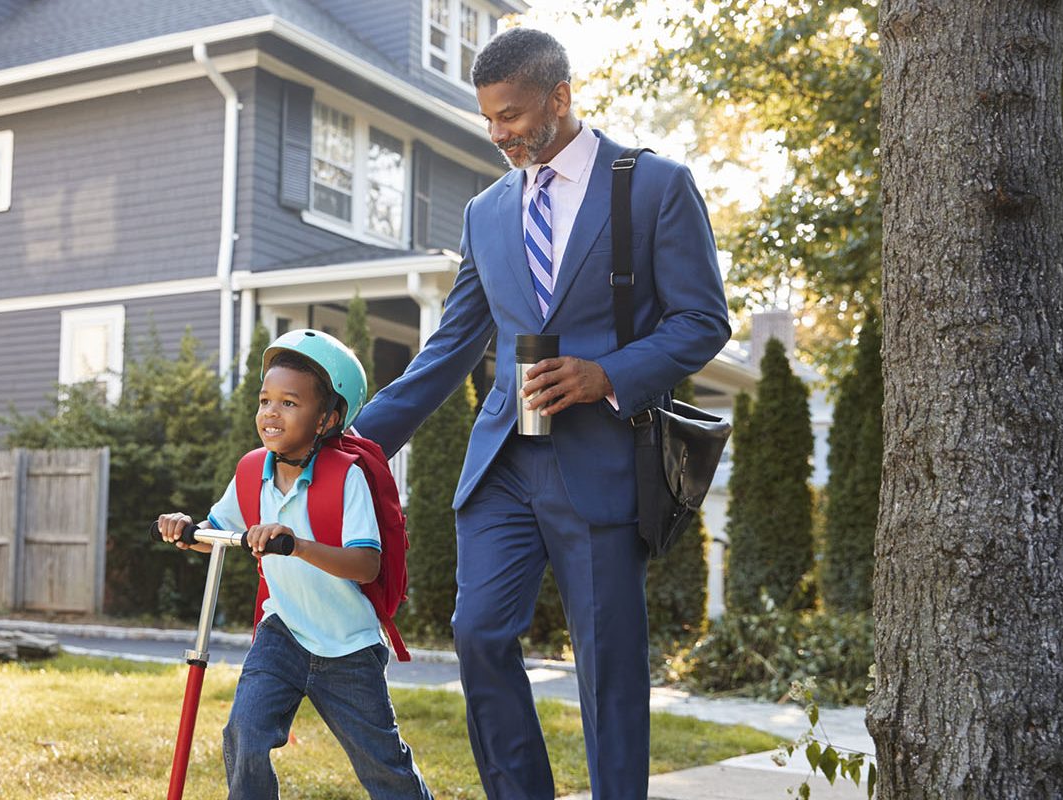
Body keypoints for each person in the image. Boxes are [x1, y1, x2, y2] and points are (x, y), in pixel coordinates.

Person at [348, 27, 732, 800]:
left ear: (560, 97)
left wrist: (607, 374)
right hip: (503, 466)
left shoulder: (653, 186)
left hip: (601, 464)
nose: (499, 134)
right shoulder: (486, 212)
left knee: (608, 666)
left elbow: (703, 322)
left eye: (512, 115)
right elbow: (450, 346)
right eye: (488, 119)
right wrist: (353, 439)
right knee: (478, 634)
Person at [157, 329, 431, 800]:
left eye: (289, 403)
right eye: (265, 400)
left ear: (327, 418)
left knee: (382, 765)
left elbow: (366, 565)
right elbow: (217, 533)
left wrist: (298, 544)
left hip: (348, 647)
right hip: (282, 633)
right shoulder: (250, 471)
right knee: (244, 736)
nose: (270, 412)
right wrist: (188, 531)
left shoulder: (347, 478)